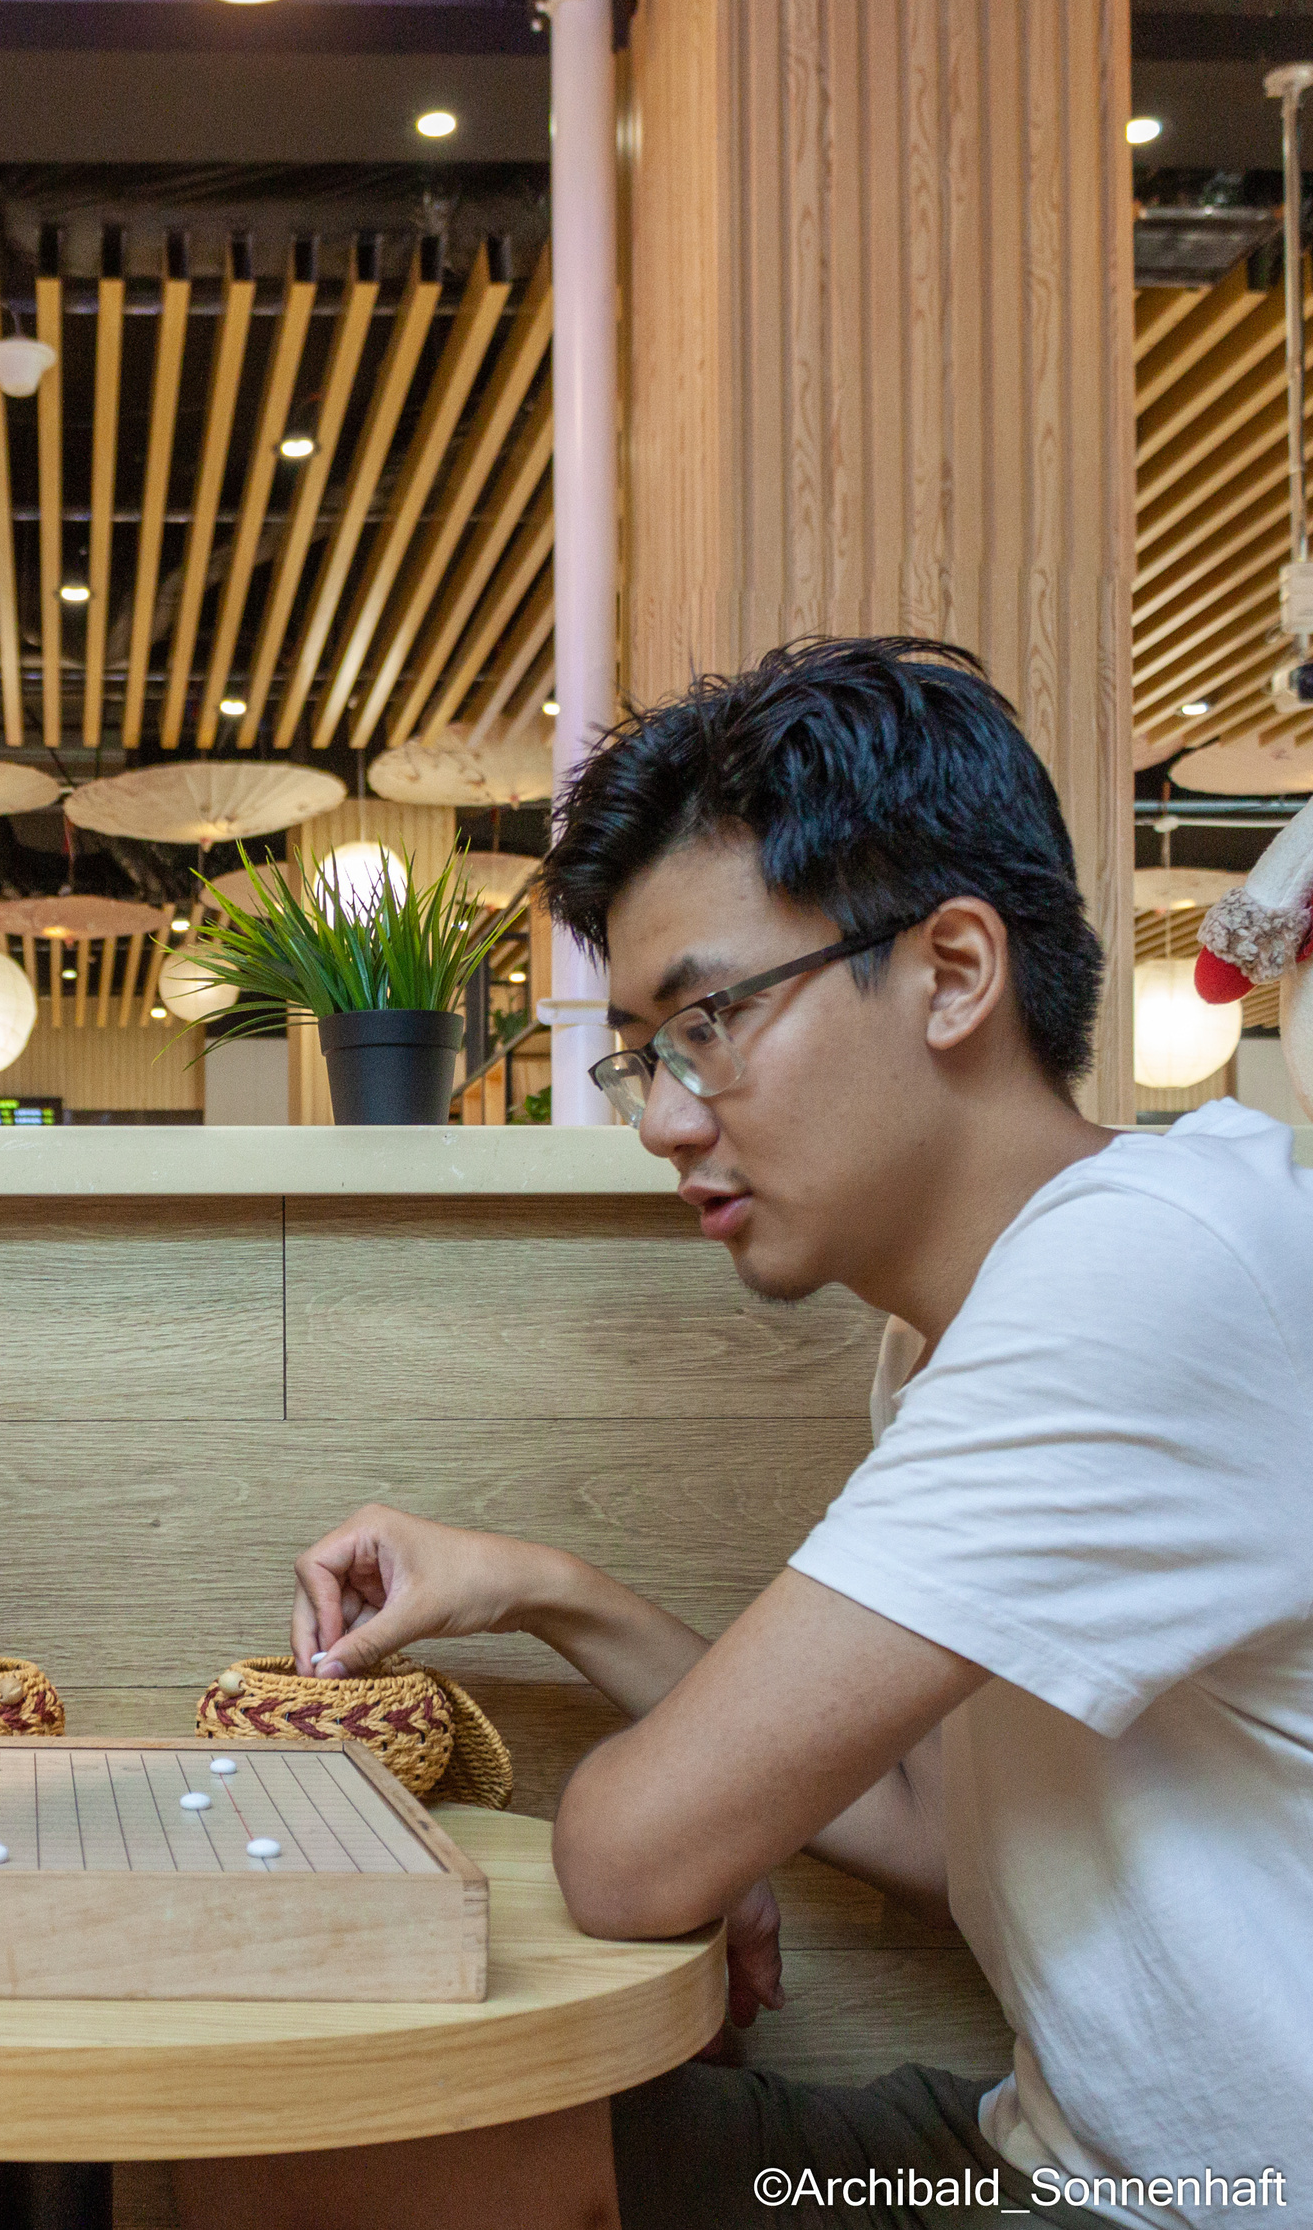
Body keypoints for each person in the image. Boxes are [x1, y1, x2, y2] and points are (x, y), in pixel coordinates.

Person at [184, 640, 1311, 2230]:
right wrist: (549, 1586)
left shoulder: (1143, 1270)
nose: (660, 1115)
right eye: (644, 1047)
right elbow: (937, 1826)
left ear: (956, 969)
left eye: (709, 1017)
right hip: (1043, 2155)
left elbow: (634, 1858)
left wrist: (700, 1817)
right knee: (299, 2150)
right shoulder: (954, 1328)